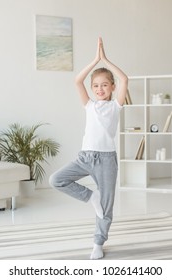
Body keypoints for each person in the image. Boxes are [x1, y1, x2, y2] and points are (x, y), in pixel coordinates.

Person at [49, 37, 128, 259]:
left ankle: (98, 242)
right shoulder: (89, 105)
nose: (99, 88)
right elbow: (77, 80)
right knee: (56, 180)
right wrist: (95, 60)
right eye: (95, 85)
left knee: (106, 206)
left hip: (106, 161)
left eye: (104, 84)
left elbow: (124, 78)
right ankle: (90, 197)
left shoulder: (116, 106)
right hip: (85, 157)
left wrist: (106, 60)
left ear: (112, 87)